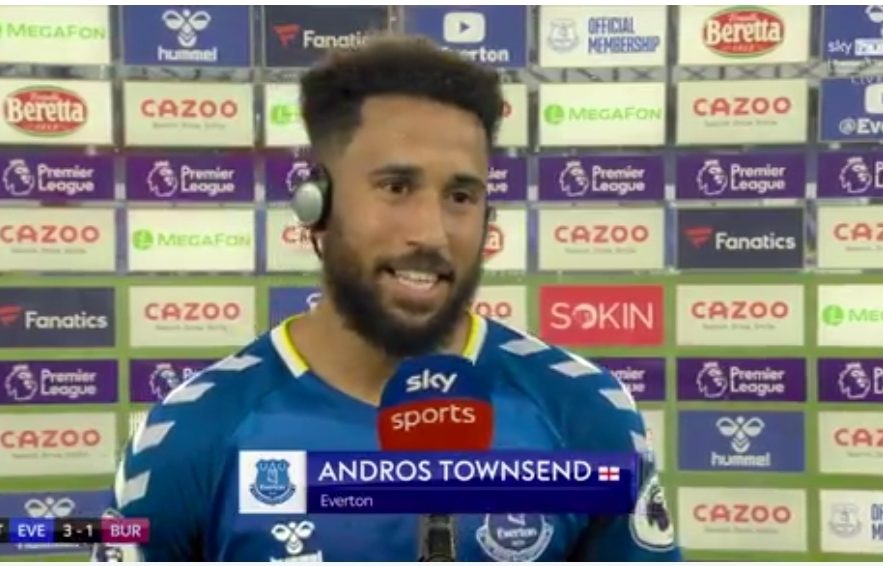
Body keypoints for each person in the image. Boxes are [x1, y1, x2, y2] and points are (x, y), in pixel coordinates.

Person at [92, 35, 681, 562]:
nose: (431, 233)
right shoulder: (192, 434)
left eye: (460, 196)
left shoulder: (583, 413)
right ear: (317, 206)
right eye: (396, 187)